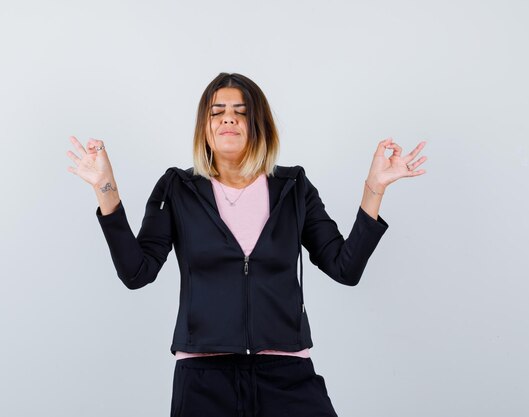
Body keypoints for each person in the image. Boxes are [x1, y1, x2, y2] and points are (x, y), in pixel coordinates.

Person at [66, 72, 427, 417]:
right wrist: (105, 188)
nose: (229, 120)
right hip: (204, 378)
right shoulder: (176, 188)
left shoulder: (294, 187)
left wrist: (374, 188)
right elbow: (136, 272)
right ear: (204, 128)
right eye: (217, 112)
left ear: (259, 126)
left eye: (241, 113)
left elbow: (345, 268)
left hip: (286, 372)